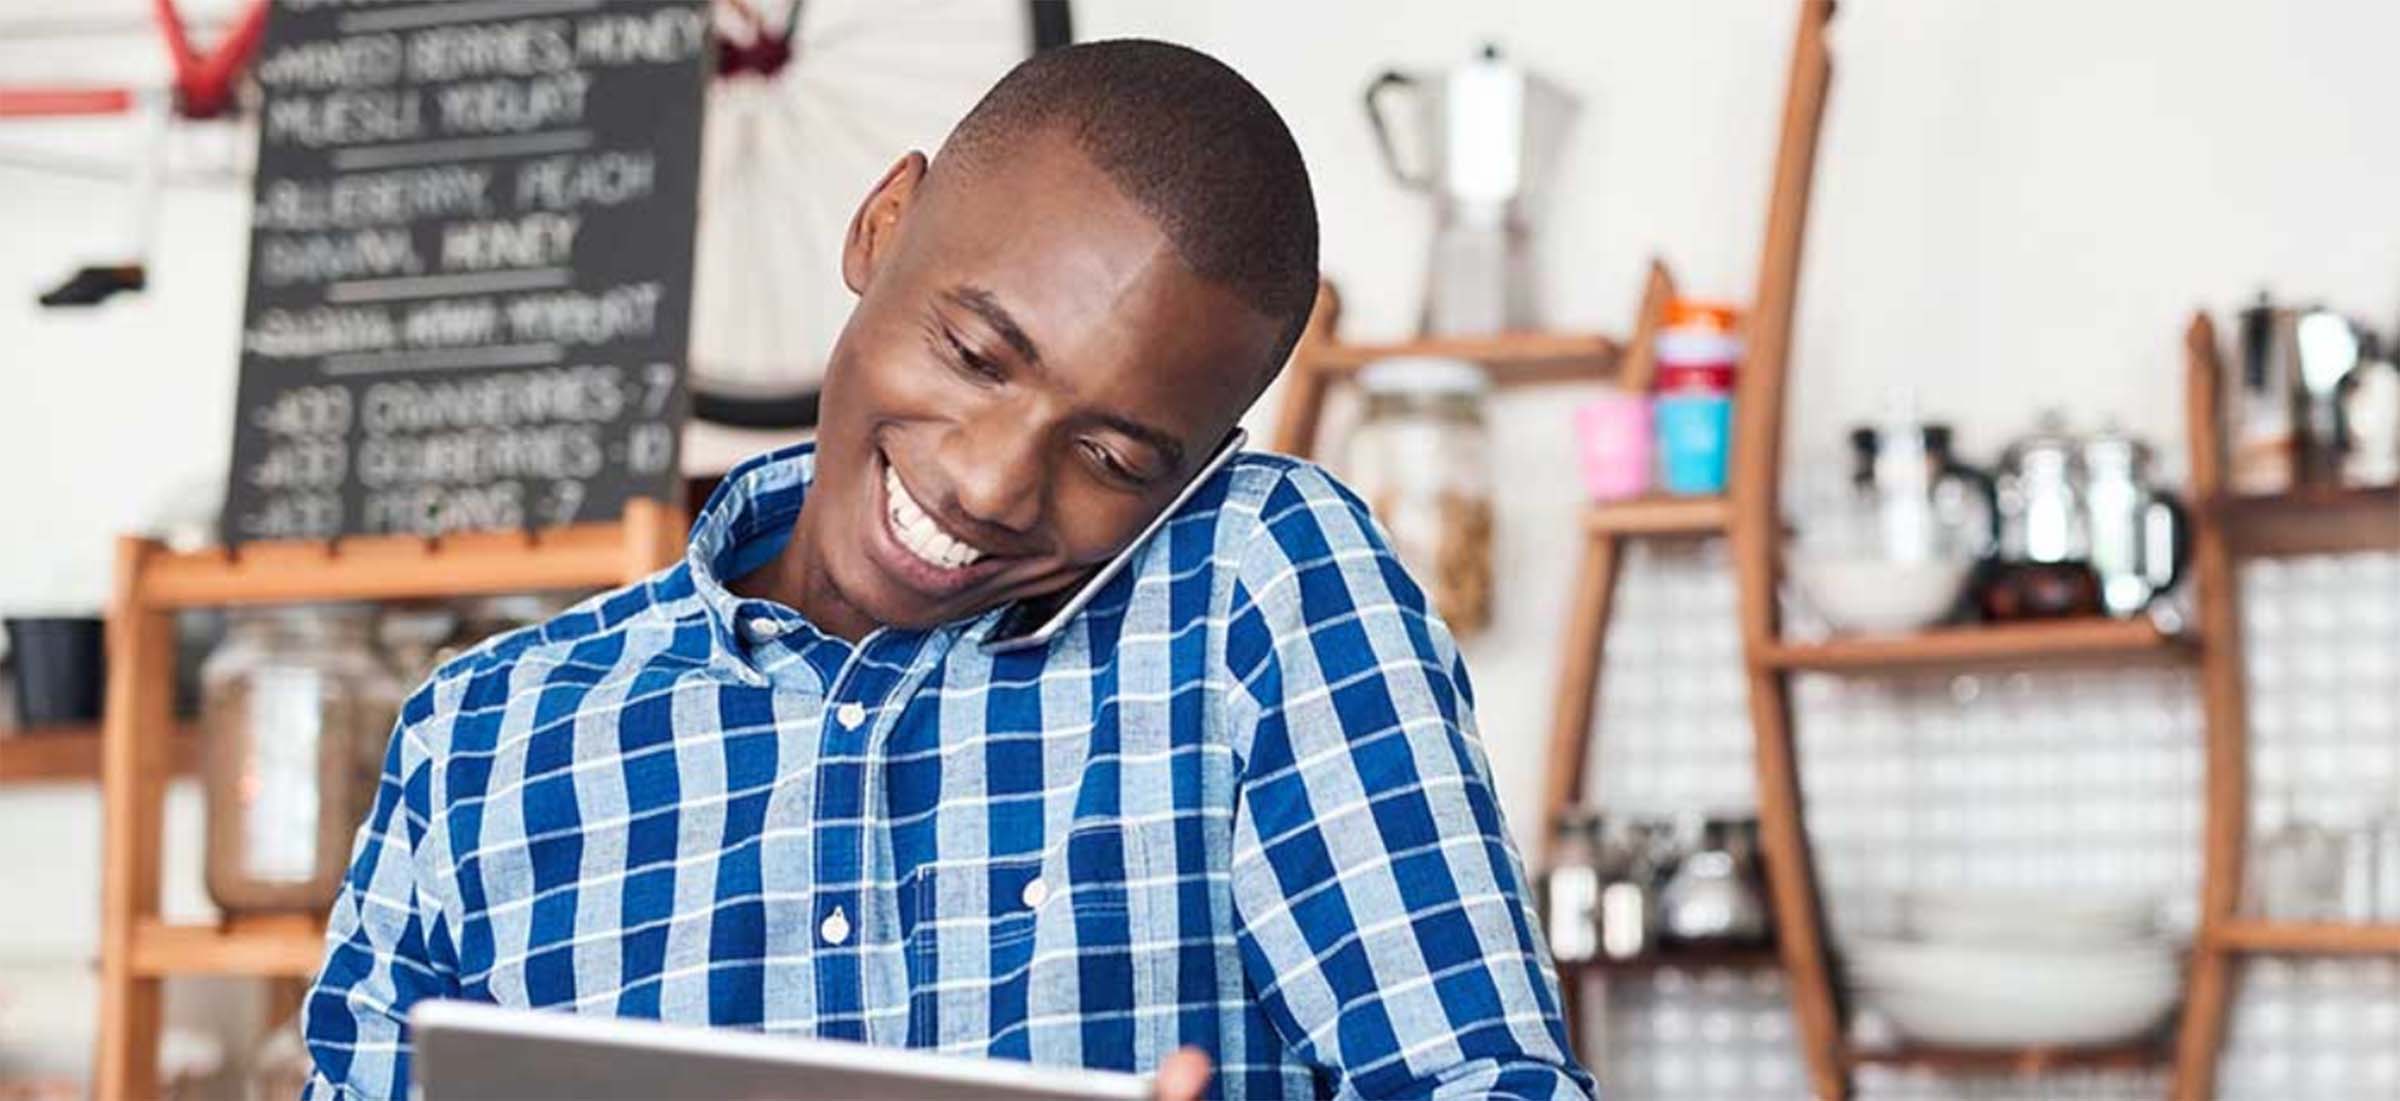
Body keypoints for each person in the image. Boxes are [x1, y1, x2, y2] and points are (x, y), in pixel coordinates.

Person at [302, 39, 1592, 1101]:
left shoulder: (1253, 591)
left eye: (1112, 457)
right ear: (882, 225)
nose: (987, 485)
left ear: (1196, 469)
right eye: (977, 354)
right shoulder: (487, 742)